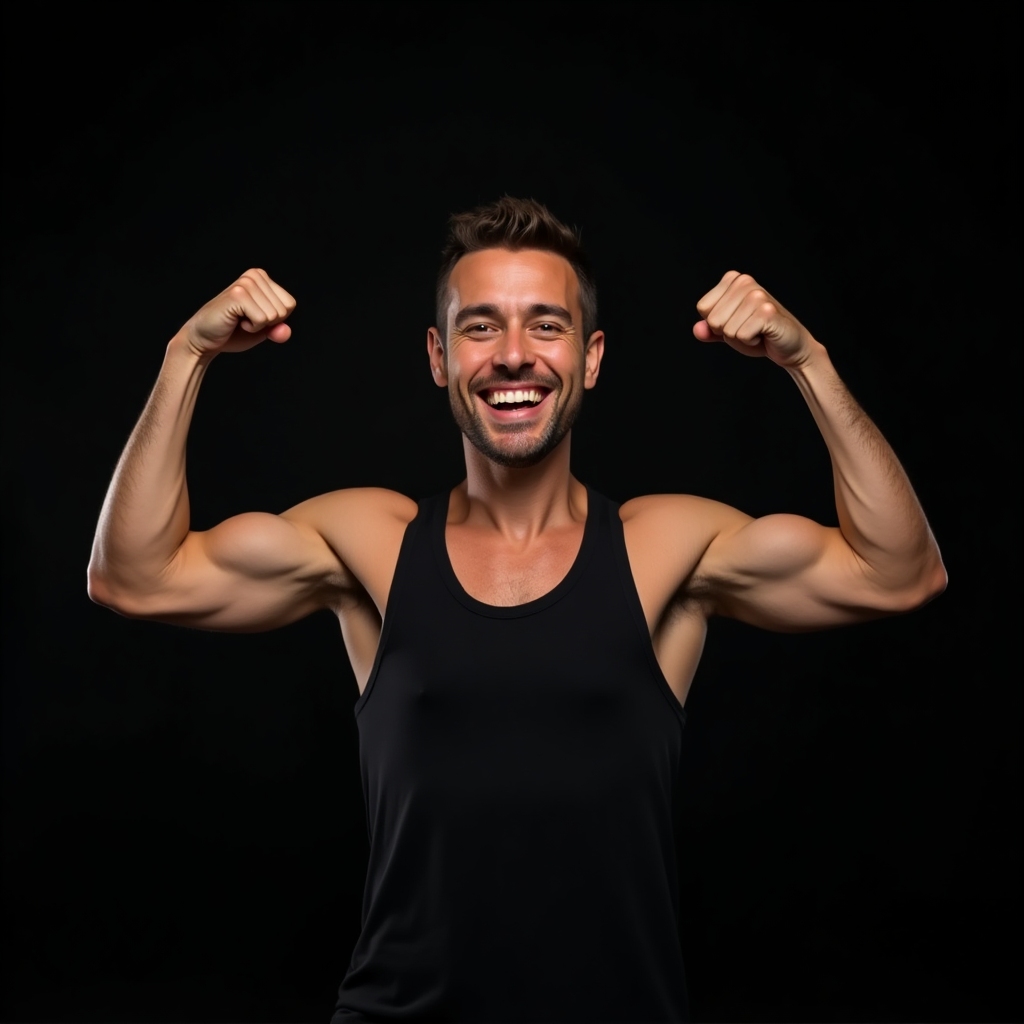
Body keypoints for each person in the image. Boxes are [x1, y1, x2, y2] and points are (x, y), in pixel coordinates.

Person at [87, 197, 947, 1023]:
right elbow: (136, 575)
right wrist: (184, 357)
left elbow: (898, 572)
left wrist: (809, 361)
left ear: (593, 357)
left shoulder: (669, 546)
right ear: (438, 357)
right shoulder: (369, 541)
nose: (512, 355)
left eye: (546, 323)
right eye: (480, 326)